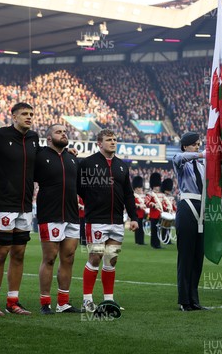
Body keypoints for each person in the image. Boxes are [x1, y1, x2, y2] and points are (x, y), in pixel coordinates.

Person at [0, 103, 39, 316]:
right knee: (1, 252)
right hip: (3, 204)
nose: (29, 117)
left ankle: (12, 302)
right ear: (13, 116)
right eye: (24, 114)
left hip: (25, 205)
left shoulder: (33, 138)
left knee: (19, 253)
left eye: (31, 114)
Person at [77, 129, 139, 313]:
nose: (113, 142)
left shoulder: (121, 166)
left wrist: (133, 217)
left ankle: (108, 300)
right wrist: (94, 201)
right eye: (109, 140)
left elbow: (128, 194)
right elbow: (79, 188)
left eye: (114, 139)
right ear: (99, 143)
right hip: (96, 220)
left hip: (116, 222)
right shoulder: (88, 163)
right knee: (95, 257)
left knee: (111, 260)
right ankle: (87, 300)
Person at [35, 124, 82, 315]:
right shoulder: (40, 156)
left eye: (65, 132)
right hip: (50, 214)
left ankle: (63, 303)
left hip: (71, 214)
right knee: (50, 258)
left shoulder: (72, 159)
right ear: (48, 138)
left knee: (69, 258)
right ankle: (45, 302)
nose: (63, 134)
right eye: (58, 132)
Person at [172, 132, 209, 311]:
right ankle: (184, 300)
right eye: (194, 144)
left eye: (199, 144)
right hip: (187, 205)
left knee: (197, 257)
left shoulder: (202, 166)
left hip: (202, 208)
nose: (197, 147)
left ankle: (194, 299)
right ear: (185, 146)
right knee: (185, 256)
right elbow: (180, 157)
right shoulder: (181, 163)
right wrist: (202, 154)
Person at [146, 173, 164, 249]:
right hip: (153, 215)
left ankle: (158, 244)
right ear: (153, 186)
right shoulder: (150, 194)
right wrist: (152, 204)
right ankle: (154, 244)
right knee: (154, 230)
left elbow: (163, 204)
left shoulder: (160, 194)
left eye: (158, 186)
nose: (157, 188)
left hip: (160, 215)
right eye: (156, 186)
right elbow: (146, 202)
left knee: (158, 230)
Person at [161, 178, 176, 244]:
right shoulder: (162, 196)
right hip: (165, 213)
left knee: (169, 227)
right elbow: (162, 204)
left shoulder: (170, 197)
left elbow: (173, 206)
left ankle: (168, 240)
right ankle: (164, 238)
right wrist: (166, 209)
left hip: (170, 213)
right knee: (164, 227)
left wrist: (175, 210)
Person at [132, 176, 146, 245]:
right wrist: (138, 206)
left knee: (142, 228)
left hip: (142, 213)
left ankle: (141, 241)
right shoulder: (133, 195)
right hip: (137, 213)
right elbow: (133, 204)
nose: (140, 189)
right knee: (138, 228)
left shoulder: (142, 196)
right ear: (136, 188)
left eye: (140, 188)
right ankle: (138, 241)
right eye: (139, 188)